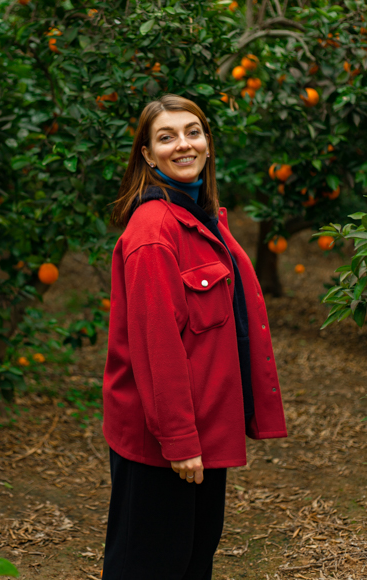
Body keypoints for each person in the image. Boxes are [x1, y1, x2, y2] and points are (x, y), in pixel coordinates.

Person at [102, 95, 287, 580]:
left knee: (191, 561)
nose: (183, 145)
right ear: (146, 154)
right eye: (166, 137)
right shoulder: (154, 232)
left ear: (207, 141)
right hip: (168, 441)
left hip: (202, 428)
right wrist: (179, 441)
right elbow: (156, 349)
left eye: (193, 132)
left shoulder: (199, 217)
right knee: (149, 567)